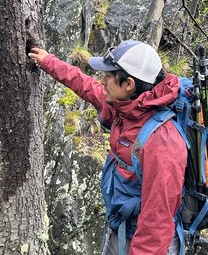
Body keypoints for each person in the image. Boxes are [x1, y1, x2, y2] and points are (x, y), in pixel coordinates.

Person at [28, 40, 187, 255]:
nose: (102, 81)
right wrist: (49, 61)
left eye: (109, 76)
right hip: (121, 227)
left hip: (146, 243)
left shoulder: (162, 142)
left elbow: (156, 224)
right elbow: (85, 86)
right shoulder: (127, 107)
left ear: (129, 84)